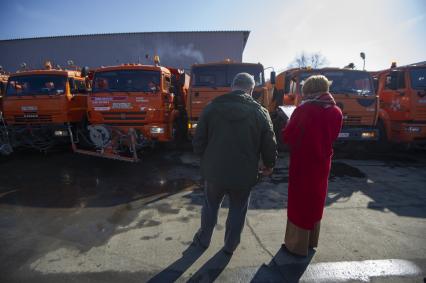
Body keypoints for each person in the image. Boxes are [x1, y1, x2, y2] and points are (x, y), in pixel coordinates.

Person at [192, 72, 277, 255]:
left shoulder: (211, 108)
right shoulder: (260, 112)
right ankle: (230, 246)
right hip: (244, 173)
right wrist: (269, 164)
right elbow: (269, 142)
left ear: (232, 86)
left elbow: (198, 141)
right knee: (238, 209)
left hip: (214, 172)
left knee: (210, 206)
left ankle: (203, 240)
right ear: (251, 89)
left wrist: (204, 159)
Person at [281, 75, 343, 256]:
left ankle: (296, 245)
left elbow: (288, 137)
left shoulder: (304, 110)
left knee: (299, 203)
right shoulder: (336, 111)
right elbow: (333, 137)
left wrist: (288, 123)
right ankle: (311, 241)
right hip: (322, 162)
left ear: (308, 90)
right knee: (316, 199)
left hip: (303, 164)